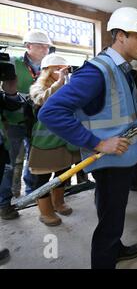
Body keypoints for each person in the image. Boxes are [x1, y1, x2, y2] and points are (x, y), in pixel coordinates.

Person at [38, 7, 137, 269]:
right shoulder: (97, 71)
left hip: (121, 159)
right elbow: (51, 112)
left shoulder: (121, 69)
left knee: (112, 213)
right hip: (109, 160)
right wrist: (98, 143)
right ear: (121, 36)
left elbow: (118, 102)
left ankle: (114, 248)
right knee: (111, 219)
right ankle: (104, 259)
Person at [28, 53, 80, 226]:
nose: (61, 72)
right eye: (57, 69)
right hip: (45, 144)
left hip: (64, 140)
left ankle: (58, 203)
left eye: (63, 69)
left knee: (62, 174)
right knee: (41, 178)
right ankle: (45, 211)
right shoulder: (37, 87)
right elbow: (41, 100)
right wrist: (59, 84)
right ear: (47, 70)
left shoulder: (68, 86)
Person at [2, 30, 51, 201]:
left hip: (36, 122)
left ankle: (31, 194)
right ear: (28, 46)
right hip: (13, 120)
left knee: (33, 159)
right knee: (10, 161)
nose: (45, 50)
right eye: (40, 46)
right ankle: (8, 199)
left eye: (47, 47)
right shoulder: (13, 63)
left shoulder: (48, 67)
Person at [0, 78, 24, 220]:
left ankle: (4, 205)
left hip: (3, 138)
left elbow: (11, 105)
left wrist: (10, 92)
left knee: (7, 169)